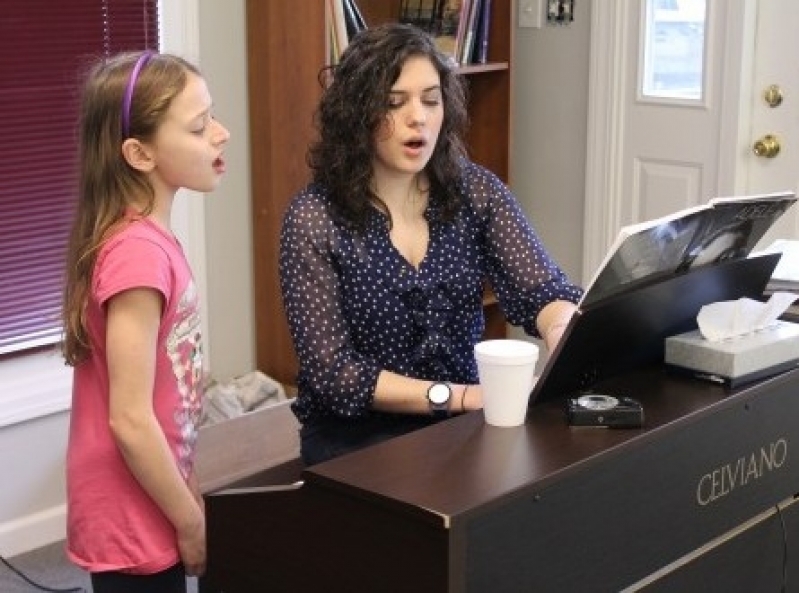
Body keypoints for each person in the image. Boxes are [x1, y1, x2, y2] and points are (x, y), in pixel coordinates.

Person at [279, 23, 582, 467]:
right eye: (394, 103)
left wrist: (563, 330)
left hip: (463, 427)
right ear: (355, 113)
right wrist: (460, 397)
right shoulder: (314, 218)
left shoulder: (476, 191)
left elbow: (544, 290)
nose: (417, 117)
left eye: (431, 99)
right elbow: (335, 375)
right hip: (358, 443)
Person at [61, 50, 230, 593]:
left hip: (153, 488)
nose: (221, 134)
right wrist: (190, 521)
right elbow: (130, 420)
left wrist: (189, 486)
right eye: (200, 126)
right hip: (127, 509)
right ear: (139, 153)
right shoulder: (136, 255)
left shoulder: (147, 241)